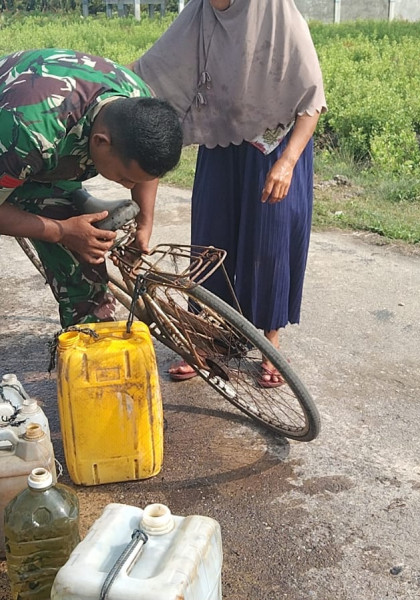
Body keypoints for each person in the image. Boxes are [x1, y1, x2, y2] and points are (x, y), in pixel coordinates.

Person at [0, 48, 182, 507]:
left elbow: (145, 173)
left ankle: (100, 388)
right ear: (100, 144)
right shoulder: (27, 128)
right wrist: (60, 231)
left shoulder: (138, 107)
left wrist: (145, 228)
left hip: (46, 155)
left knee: (87, 269)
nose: (121, 186)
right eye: (118, 176)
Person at [133, 0, 326, 388]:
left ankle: (270, 341)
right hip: (220, 143)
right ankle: (210, 338)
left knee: (268, 245)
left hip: (274, 149)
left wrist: (287, 163)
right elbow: (148, 83)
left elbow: (311, 98)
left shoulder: (274, 10)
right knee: (210, 238)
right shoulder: (197, 15)